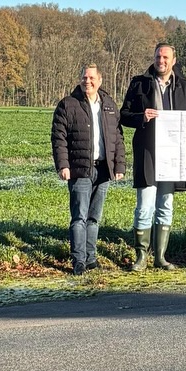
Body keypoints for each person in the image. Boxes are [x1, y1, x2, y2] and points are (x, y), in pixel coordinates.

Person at [120, 42, 186, 270]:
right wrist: (141, 117)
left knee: (166, 205)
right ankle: (141, 256)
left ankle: (160, 257)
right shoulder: (138, 83)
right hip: (148, 153)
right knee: (144, 206)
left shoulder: (184, 86)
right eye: (158, 57)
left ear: (173, 60)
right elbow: (124, 115)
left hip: (172, 155)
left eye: (165, 57)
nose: (161, 61)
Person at [51, 64, 125, 274]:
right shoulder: (68, 104)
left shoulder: (109, 104)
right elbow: (59, 138)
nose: (88, 81)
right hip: (79, 169)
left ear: (100, 80)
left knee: (94, 218)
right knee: (79, 218)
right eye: (84, 77)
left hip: (103, 170)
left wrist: (119, 165)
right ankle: (78, 261)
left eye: (92, 78)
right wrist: (63, 166)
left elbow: (117, 137)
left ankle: (91, 258)